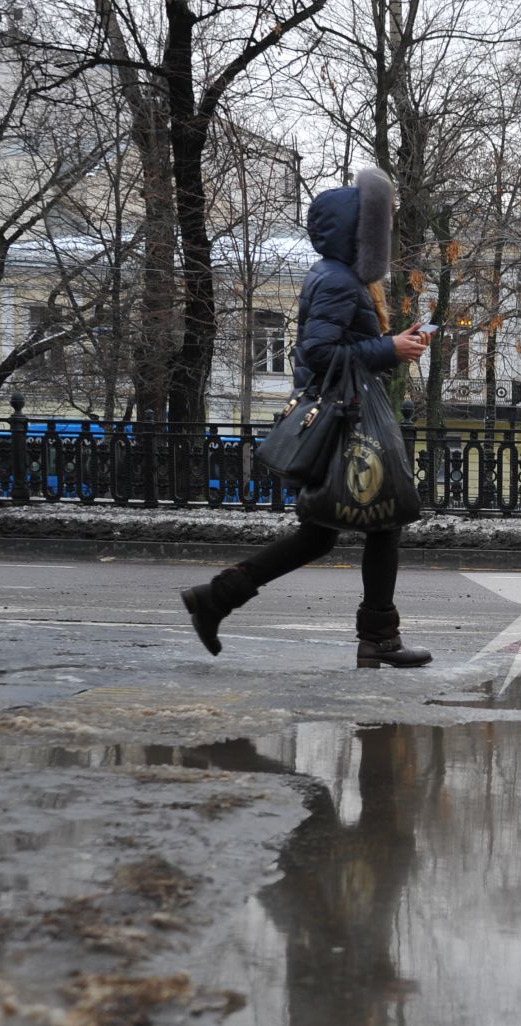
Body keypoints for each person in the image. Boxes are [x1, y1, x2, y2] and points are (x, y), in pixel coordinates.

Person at [180, 168, 433, 669]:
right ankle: (377, 637)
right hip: (344, 422)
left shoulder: (336, 274)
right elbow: (319, 352)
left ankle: (218, 598)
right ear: (356, 233)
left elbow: (334, 344)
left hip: (343, 416)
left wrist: (391, 341)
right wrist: (389, 349)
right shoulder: (339, 279)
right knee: (382, 522)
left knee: (325, 530)